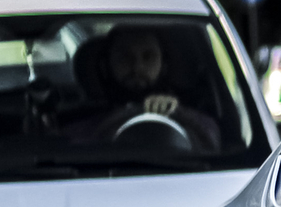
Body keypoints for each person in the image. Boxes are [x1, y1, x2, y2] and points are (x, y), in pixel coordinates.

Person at [83, 26, 219, 150]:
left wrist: (176, 112)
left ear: (164, 65)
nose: (137, 68)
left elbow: (214, 142)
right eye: (124, 57)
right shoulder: (82, 125)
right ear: (106, 66)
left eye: (148, 57)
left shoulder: (196, 119)